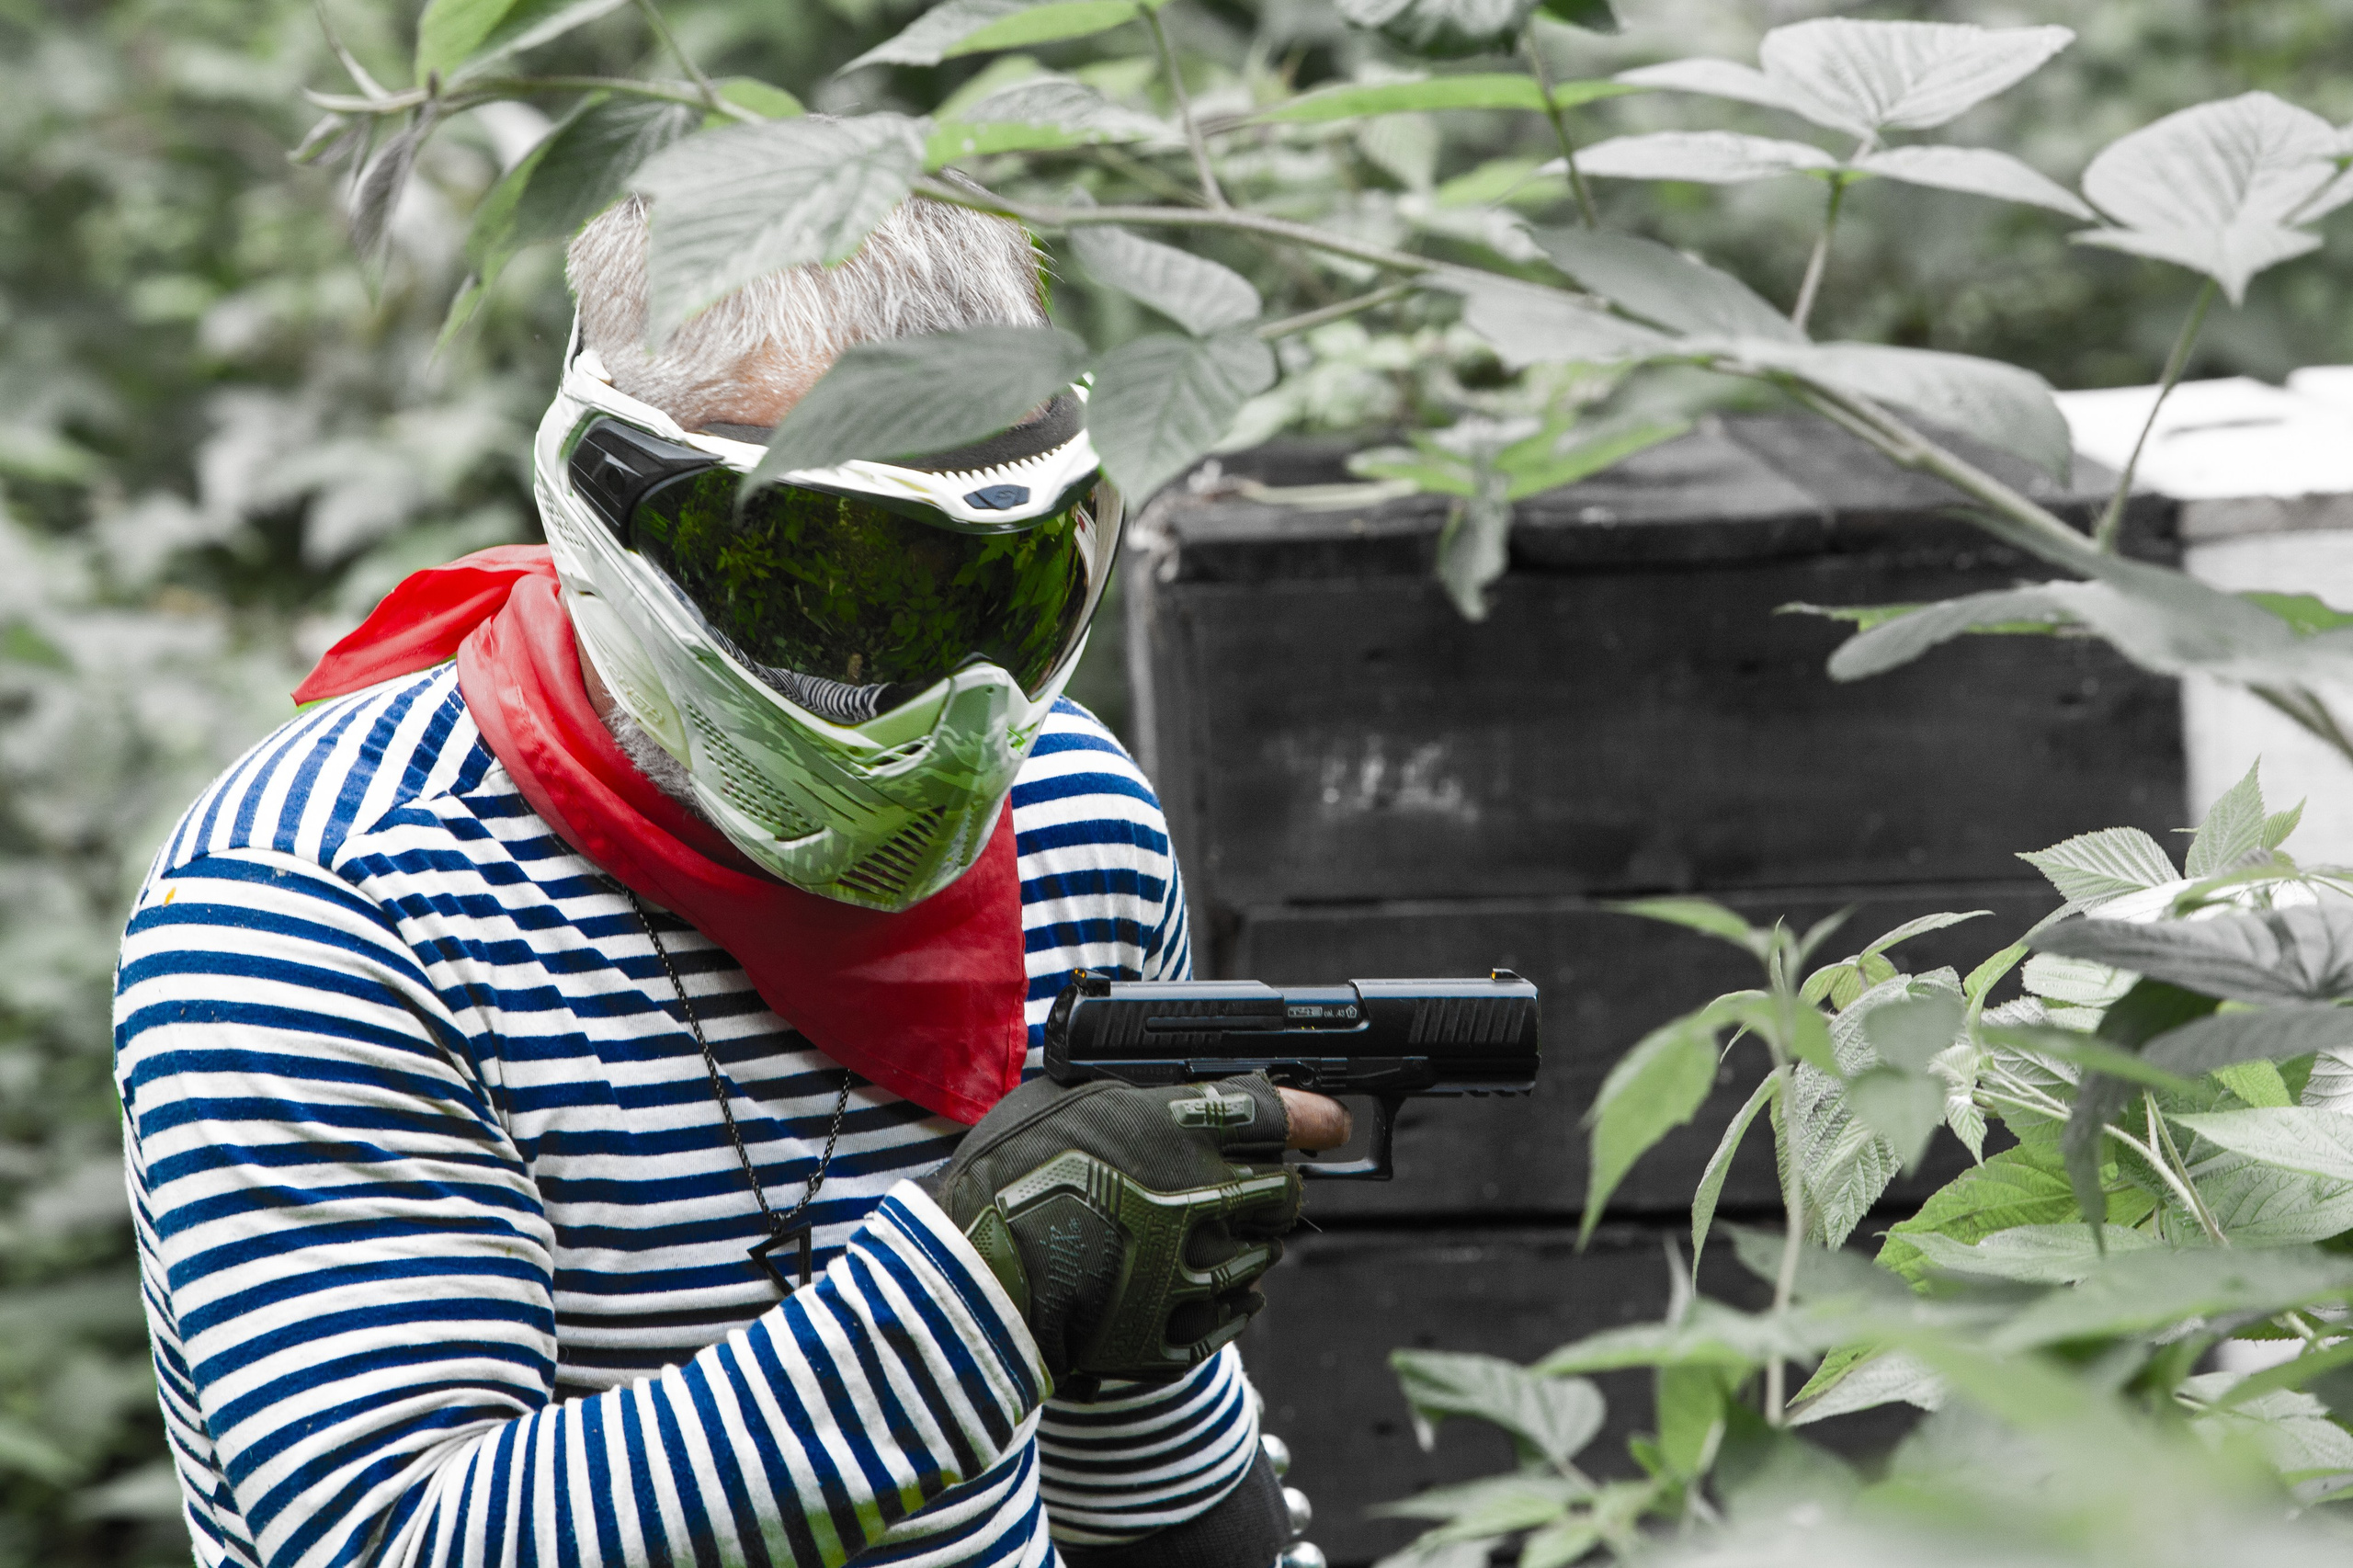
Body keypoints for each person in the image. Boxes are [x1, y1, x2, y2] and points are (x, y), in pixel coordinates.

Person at [113, 190, 1348, 1568]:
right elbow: (386, 1537)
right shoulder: (327, 899)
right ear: (613, 506)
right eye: (838, 592)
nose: (947, 717)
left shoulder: (1065, 809)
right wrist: (978, 1294)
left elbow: (1135, 1443)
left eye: (997, 592)